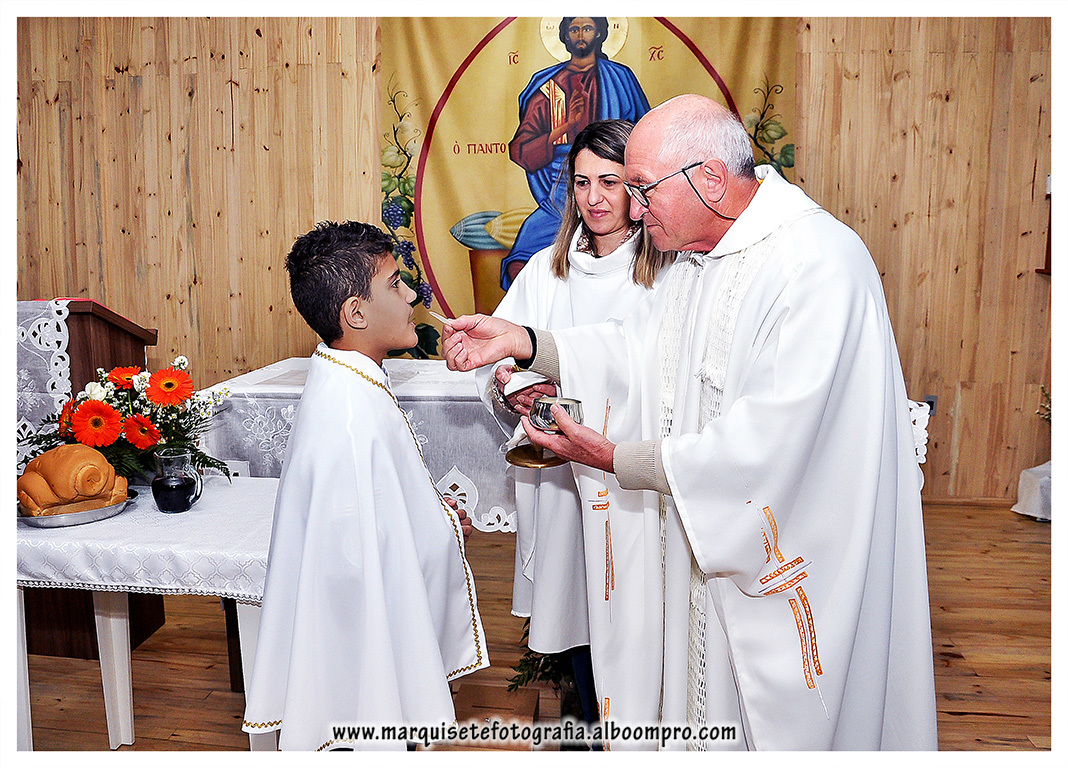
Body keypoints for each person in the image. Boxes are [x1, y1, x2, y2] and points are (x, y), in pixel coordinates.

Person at [443, 95, 938, 750]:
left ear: (709, 179)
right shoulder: (699, 257)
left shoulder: (815, 265)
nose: (633, 209)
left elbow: (771, 443)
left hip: (786, 570)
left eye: (642, 188)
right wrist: (528, 342)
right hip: (700, 552)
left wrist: (615, 459)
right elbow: (639, 351)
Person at [242, 221, 487, 751]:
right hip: (359, 642)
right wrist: (445, 526)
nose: (412, 295)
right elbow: (359, 561)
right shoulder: (350, 414)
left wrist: (438, 517)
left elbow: (382, 510)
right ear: (355, 313)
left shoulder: (347, 379)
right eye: (395, 284)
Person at [477, 119, 672, 747]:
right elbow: (500, 358)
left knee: (632, 605)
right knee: (576, 606)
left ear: (636, 188)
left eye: (610, 182)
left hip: (628, 477)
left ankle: (637, 729)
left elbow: (658, 370)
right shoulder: (546, 270)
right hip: (561, 477)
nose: (594, 198)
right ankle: (587, 725)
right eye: (582, 183)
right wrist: (513, 387)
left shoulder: (666, 270)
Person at [502, 16, 649, 289]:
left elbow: (646, 135)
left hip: (620, 182)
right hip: (562, 188)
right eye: (574, 29)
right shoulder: (548, 85)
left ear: (600, 33)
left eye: (587, 28)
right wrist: (565, 127)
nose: (581, 34)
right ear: (564, 36)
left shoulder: (620, 78)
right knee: (520, 263)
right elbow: (521, 149)